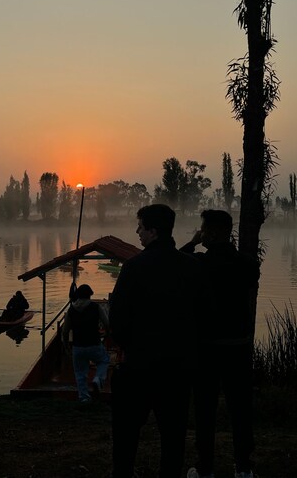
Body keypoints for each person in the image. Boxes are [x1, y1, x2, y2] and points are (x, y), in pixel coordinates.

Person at [109, 204, 201, 478]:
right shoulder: (192, 268)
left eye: (140, 226)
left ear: (153, 231)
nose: (137, 231)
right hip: (178, 368)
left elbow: (118, 319)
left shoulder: (134, 267)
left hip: (138, 365)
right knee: (173, 435)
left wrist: (125, 347)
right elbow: (203, 314)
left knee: (126, 434)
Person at [181, 210, 260, 478]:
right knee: (240, 408)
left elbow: (176, 263)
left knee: (205, 409)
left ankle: (205, 468)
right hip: (238, 347)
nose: (200, 231)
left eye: (202, 228)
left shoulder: (197, 263)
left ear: (210, 233)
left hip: (206, 348)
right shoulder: (247, 263)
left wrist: (192, 242)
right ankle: (244, 467)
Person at [62, 283, 110, 402]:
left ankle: (84, 398)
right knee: (104, 360)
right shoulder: (96, 307)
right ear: (90, 295)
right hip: (94, 343)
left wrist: (66, 345)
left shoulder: (71, 309)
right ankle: (98, 379)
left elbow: (65, 330)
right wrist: (107, 334)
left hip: (78, 347)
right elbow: (107, 323)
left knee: (80, 373)